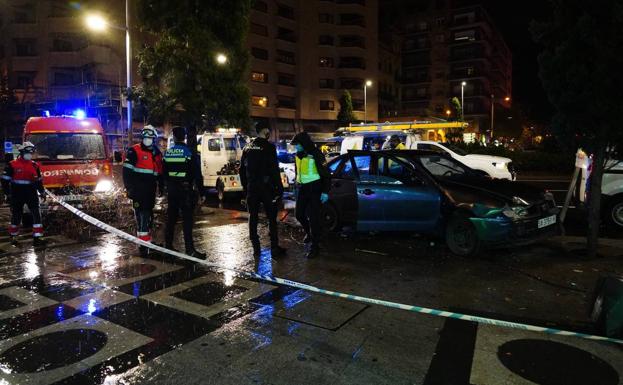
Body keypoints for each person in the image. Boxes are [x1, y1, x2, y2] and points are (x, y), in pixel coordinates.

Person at [239, 126, 286, 258]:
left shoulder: (247, 148)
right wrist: (279, 188)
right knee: (271, 218)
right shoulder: (269, 148)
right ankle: (274, 249)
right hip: (267, 188)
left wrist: (245, 187)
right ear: (266, 132)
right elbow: (274, 170)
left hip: (252, 188)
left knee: (252, 217)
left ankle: (256, 249)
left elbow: (242, 170)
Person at [163, 126, 206, 259]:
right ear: (184, 137)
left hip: (172, 191)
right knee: (187, 221)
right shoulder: (189, 153)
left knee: (171, 219)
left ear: (174, 137)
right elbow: (197, 174)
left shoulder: (168, 153)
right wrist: (202, 192)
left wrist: (167, 187)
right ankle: (190, 249)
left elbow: (163, 174)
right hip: (185, 191)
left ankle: (168, 246)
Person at [123, 125, 163, 257]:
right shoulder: (134, 151)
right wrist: (129, 189)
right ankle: (143, 246)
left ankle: (146, 241)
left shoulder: (156, 153)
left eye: (150, 138)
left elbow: (159, 172)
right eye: (145, 137)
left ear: (154, 139)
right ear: (142, 138)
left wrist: (161, 188)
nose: (148, 140)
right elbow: (127, 172)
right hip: (138, 191)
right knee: (142, 217)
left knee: (148, 217)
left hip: (150, 190)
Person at [290, 132, 331, 258]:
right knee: (299, 214)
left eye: (297, 145)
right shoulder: (298, 155)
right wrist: (296, 182)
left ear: (304, 143)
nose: (296, 147)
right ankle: (309, 233)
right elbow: (298, 171)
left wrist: (325, 191)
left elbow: (326, 174)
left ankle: (315, 247)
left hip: (315, 188)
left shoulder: (316, 154)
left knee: (314, 219)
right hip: (303, 188)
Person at [1, 142, 46, 247]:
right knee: (16, 216)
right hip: (17, 194)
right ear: (22, 152)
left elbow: (38, 181)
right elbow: (4, 181)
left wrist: (42, 192)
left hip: (31, 193)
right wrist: (7, 194)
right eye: (27, 152)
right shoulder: (12, 165)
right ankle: (14, 237)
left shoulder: (35, 165)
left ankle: (37, 238)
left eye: (31, 152)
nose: (29, 154)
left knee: (36, 215)